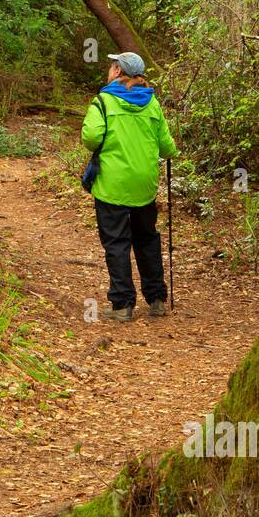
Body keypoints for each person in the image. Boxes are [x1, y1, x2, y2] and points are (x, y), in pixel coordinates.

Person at [81, 51, 178, 321]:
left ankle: (123, 304)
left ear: (117, 72)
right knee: (147, 239)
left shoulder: (103, 101)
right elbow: (167, 147)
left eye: (112, 66)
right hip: (144, 186)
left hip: (112, 185)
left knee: (116, 242)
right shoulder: (152, 103)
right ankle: (156, 298)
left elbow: (90, 137)